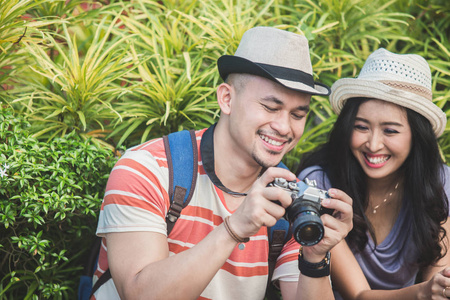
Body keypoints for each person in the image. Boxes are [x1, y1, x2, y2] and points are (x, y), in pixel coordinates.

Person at [91, 26, 353, 300]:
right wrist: (234, 228)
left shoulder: (289, 199)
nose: (284, 127)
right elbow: (139, 296)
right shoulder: (148, 169)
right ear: (227, 99)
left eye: (297, 114)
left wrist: (315, 257)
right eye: (270, 107)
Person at [297, 48, 450, 299]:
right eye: (361, 127)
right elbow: (358, 295)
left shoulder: (440, 182)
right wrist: (424, 292)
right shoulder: (320, 185)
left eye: (390, 131)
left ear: (417, 137)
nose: (373, 144)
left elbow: (439, 279)